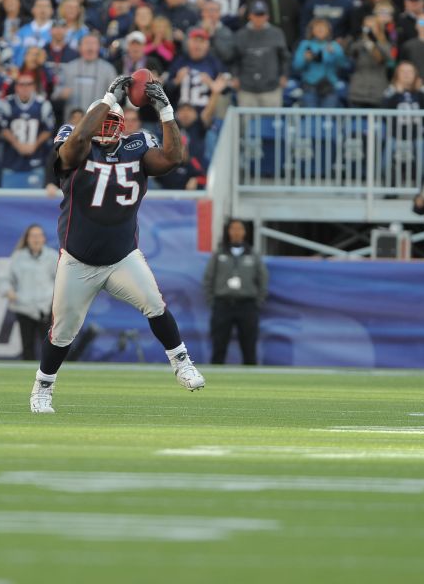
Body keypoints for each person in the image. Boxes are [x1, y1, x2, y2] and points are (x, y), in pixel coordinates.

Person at [29, 74, 206, 414]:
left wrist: (166, 111)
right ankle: (42, 387)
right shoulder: (76, 143)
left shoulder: (136, 146)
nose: (107, 127)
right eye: (103, 120)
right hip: (78, 261)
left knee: (155, 304)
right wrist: (108, 99)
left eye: (114, 122)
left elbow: (173, 158)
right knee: (63, 330)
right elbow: (78, 139)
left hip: (122, 257)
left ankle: (181, 362)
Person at [203, 219, 268, 366]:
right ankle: (215, 381)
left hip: (247, 305)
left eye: (240, 229)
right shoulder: (219, 254)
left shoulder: (253, 255)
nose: (236, 232)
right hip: (223, 305)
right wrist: (212, 301)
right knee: (219, 345)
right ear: (228, 231)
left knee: (249, 347)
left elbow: (263, 279)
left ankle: (252, 384)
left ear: (245, 232)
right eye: (233, 229)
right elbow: (208, 278)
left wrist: (258, 302)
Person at [0, 224, 58, 361]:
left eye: (39, 236)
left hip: (46, 307)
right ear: (27, 239)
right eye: (33, 236)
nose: (36, 239)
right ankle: (29, 376)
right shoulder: (18, 257)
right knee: (27, 345)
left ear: (44, 239)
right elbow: (3, 277)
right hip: (24, 307)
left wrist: (57, 299)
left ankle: (48, 374)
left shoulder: (52, 256)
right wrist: (8, 291)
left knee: (49, 344)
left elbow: (61, 280)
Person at [232, 0, 289, 108]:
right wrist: (235, 76)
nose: (259, 18)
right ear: (250, 16)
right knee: (246, 123)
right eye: (256, 14)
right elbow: (235, 59)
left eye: (262, 14)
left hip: (271, 86)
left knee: (272, 123)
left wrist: (284, 75)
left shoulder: (276, 33)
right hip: (246, 87)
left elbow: (284, 57)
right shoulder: (241, 35)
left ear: (267, 16)